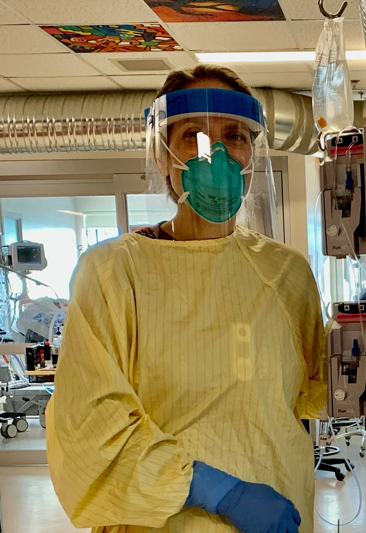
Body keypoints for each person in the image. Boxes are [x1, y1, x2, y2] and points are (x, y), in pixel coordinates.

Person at [46, 65, 326, 533]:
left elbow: (310, 394)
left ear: (250, 154)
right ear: (162, 155)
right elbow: (91, 427)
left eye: (234, 137)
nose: (215, 155)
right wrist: (217, 490)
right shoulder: (114, 274)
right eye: (193, 135)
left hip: (280, 508)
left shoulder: (286, 273)